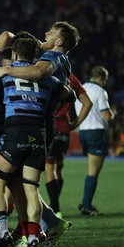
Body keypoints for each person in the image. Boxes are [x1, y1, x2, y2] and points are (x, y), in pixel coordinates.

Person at [0, 38, 76, 247]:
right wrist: (52, 103)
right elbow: (70, 94)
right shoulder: (52, 72)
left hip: (19, 130)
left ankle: (2, 231)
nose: (46, 34)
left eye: (51, 32)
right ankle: (34, 234)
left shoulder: (39, 64)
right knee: (28, 188)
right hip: (40, 132)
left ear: (16, 55)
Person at [45, 73, 92, 217]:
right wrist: (74, 124)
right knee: (58, 168)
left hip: (50, 126)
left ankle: (55, 208)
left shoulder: (46, 73)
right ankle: (55, 206)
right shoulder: (72, 78)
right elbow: (87, 103)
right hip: (64, 130)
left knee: (49, 169)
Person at [74, 66, 115, 216]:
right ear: (101, 78)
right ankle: (87, 206)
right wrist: (113, 114)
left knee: (91, 169)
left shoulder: (81, 88)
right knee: (93, 171)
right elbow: (106, 116)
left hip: (83, 132)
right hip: (96, 132)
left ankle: (85, 202)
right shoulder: (100, 91)